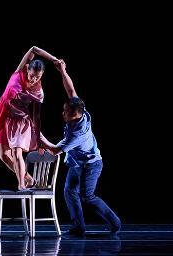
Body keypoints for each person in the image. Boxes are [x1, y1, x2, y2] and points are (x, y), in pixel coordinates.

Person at [40, 60, 122, 237]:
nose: (62, 113)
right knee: (69, 191)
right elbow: (70, 90)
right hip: (77, 162)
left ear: (75, 115)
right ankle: (79, 227)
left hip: (91, 165)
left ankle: (115, 223)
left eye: (65, 112)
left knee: (87, 197)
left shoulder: (78, 134)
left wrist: (36, 133)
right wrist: (62, 71)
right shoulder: (78, 108)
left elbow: (54, 150)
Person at [0, 46, 59, 190]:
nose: (34, 79)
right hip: (4, 114)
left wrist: (38, 137)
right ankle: (28, 178)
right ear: (27, 69)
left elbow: (36, 115)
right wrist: (54, 60)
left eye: (38, 77)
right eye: (32, 76)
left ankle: (22, 184)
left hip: (18, 119)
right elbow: (34, 49)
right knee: (4, 156)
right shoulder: (19, 72)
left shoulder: (38, 92)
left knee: (17, 153)